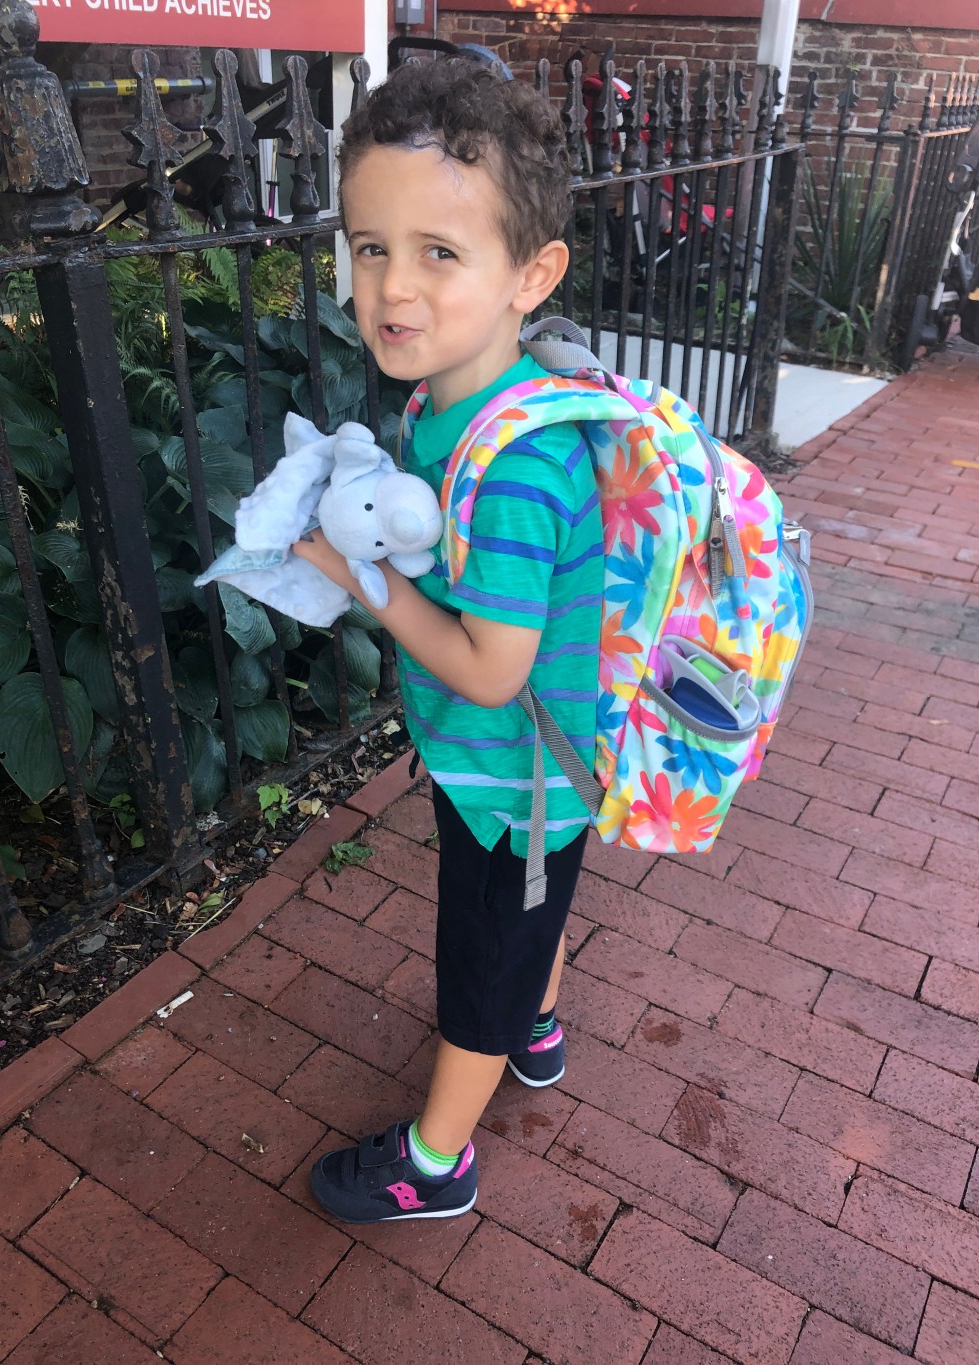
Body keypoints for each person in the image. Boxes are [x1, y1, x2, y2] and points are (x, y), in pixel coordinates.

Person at [294, 58, 603, 1224]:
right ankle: (537, 1026)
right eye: (370, 246)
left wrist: (359, 576)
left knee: (478, 959)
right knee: (529, 916)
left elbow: (488, 667)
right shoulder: (448, 401)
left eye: (437, 252)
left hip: (515, 775)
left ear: (532, 275)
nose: (391, 288)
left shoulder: (517, 464)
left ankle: (436, 1163)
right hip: (528, 769)